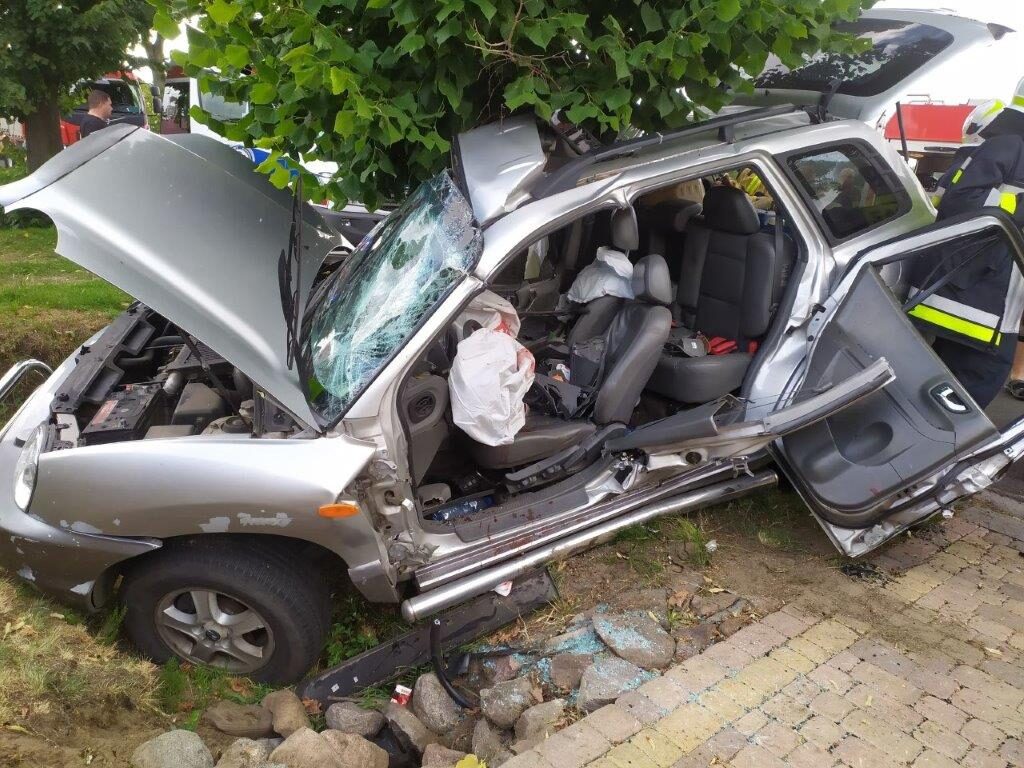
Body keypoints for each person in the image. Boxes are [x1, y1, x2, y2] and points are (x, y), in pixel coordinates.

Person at [908, 80, 1024, 408]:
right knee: (970, 393)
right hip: (974, 300)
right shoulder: (1010, 144)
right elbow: (962, 203)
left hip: (987, 298)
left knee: (947, 395)